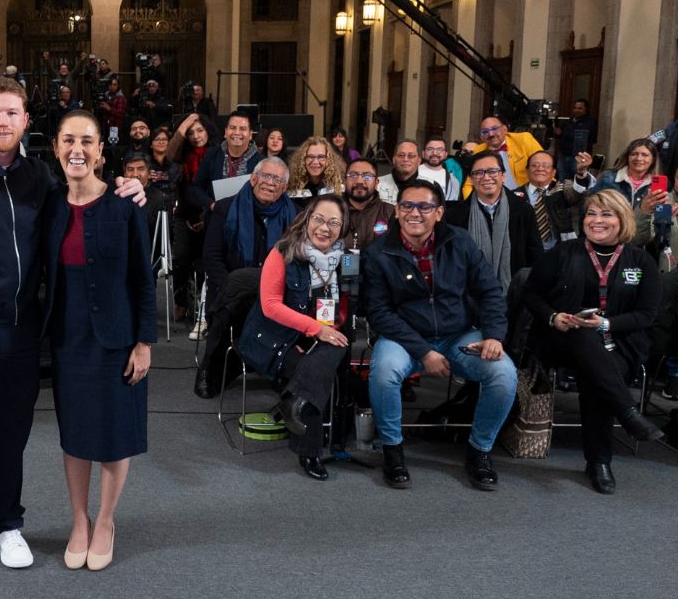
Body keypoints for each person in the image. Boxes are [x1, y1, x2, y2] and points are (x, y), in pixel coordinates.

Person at [0, 75, 144, 579]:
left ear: (25, 121)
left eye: (11, 113)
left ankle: (4, 522)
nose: (1, 121)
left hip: (21, 332)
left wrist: (130, 185)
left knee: (12, 435)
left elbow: (89, 195)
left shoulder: (41, 179)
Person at [43, 111, 155, 570]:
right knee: (75, 435)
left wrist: (144, 342)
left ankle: (106, 519)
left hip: (117, 338)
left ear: (100, 152)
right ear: (55, 148)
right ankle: (79, 520)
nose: (77, 150)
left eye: (87, 141)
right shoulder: (48, 205)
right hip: (67, 339)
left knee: (113, 433)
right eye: (68, 140)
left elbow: (143, 281)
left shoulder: (126, 205)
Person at [361, 180, 518, 491]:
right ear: (397, 211)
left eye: (424, 207)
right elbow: (379, 313)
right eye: (407, 206)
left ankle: (479, 451)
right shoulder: (378, 253)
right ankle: (393, 450)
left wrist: (494, 336)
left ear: (440, 213)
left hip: (458, 335)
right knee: (383, 373)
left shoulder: (460, 242)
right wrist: (424, 351)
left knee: (503, 372)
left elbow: (490, 291)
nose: (414, 213)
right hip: (404, 338)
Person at [523, 189, 663, 494]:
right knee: (585, 337)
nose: (596, 220)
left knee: (597, 369)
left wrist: (607, 323)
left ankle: (599, 460)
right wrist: (554, 316)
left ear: (622, 218)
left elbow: (647, 314)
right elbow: (530, 294)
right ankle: (621, 424)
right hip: (562, 340)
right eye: (591, 214)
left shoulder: (640, 260)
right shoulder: (564, 252)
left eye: (606, 214)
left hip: (619, 342)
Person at [238, 196, 352, 480]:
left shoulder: (347, 259)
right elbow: (270, 305)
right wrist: (317, 329)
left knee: (331, 351)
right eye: (319, 219)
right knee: (313, 369)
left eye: (334, 222)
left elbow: (352, 305)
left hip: (326, 333)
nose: (325, 227)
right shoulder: (283, 252)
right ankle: (309, 451)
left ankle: (293, 404)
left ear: (343, 227)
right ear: (307, 219)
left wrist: (329, 329)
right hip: (279, 336)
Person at [194, 156, 296, 398]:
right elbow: (211, 258)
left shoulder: (296, 217)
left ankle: (283, 369)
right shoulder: (225, 209)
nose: (270, 183)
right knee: (230, 302)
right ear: (253, 178)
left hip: (276, 295)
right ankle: (210, 369)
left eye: (277, 179)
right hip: (231, 291)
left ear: (284, 187)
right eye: (266, 176)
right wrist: (231, 285)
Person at [443, 150, 543, 296]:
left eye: (492, 171)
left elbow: (535, 254)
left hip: (515, 296)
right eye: (479, 173)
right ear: (471, 179)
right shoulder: (455, 215)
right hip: (468, 297)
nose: (486, 177)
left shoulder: (522, 209)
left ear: (503, 176)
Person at [167, 113, 217, 326]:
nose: (196, 136)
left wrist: (206, 217)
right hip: (184, 214)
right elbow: (169, 153)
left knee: (209, 260)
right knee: (181, 256)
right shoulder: (183, 154)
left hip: (211, 214)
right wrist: (185, 123)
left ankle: (207, 304)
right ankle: (181, 301)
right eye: (190, 133)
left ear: (207, 131)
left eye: (199, 130)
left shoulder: (217, 153)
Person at [590, 138, 671, 247]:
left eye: (645, 155)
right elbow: (589, 208)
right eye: (634, 154)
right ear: (627, 157)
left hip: (640, 243)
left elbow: (659, 224)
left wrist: (668, 213)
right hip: (608, 239)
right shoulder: (608, 179)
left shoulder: (657, 186)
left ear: (653, 159)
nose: (639, 158)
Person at [189, 109, 261, 214]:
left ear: (250, 134)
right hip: (217, 216)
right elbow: (197, 187)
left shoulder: (261, 162)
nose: (237, 133)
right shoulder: (212, 155)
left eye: (242, 129)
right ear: (225, 132)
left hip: (249, 218)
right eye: (232, 128)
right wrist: (211, 205)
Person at [521, 150, 594, 249]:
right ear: (527, 171)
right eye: (535, 165)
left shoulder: (563, 189)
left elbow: (577, 193)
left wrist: (581, 173)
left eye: (546, 166)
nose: (540, 169)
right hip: (525, 250)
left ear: (553, 172)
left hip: (560, 250)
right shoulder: (514, 195)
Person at [466, 116, 543, 194]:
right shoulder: (478, 151)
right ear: (481, 137)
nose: (490, 134)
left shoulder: (523, 139)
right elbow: (468, 184)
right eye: (485, 131)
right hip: (494, 199)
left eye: (495, 128)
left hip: (527, 196)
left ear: (505, 129)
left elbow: (544, 166)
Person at [343, 158, 396, 252]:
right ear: (344, 181)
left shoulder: (391, 212)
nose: (359, 181)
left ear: (376, 183)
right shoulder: (332, 210)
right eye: (353, 175)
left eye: (367, 176)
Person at [286, 136, 345, 208]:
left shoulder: (338, 186)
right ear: (303, 160)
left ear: (328, 160)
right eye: (310, 157)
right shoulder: (292, 185)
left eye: (321, 157)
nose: (315, 162)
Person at [552, 98, 597, 180]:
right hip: (564, 155)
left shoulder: (590, 122)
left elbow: (580, 135)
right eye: (575, 108)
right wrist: (557, 133)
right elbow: (560, 135)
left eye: (580, 108)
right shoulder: (569, 121)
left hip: (578, 157)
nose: (577, 110)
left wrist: (564, 133)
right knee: (562, 180)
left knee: (577, 179)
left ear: (586, 109)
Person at [377, 140, 422, 204]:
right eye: (401, 155)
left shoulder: (431, 186)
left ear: (419, 161)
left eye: (411, 156)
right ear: (393, 159)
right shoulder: (377, 184)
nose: (405, 159)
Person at [418, 137, 463, 202]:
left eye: (440, 149)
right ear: (423, 153)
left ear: (446, 154)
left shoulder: (453, 180)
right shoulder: (413, 173)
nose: (435, 153)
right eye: (430, 149)